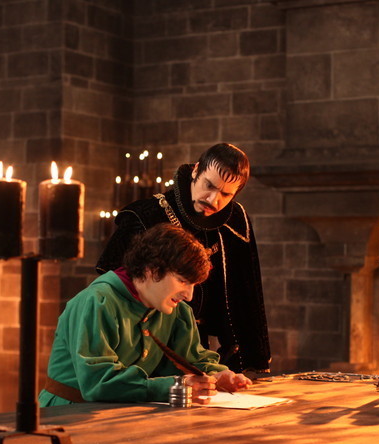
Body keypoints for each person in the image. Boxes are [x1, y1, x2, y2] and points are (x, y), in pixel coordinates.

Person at [97, 142, 271, 377]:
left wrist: (252, 358)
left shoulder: (235, 221)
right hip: (148, 346)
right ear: (196, 170)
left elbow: (247, 294)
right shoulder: (146, 215)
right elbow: (116, 292)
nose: (214, 200)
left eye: (226, 194)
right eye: (209, 185)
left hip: (200, 350)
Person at [40, 224, 251, 406]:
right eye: (182, 281)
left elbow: (191, 360)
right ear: (152, 270)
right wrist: (174, 386)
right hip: (69, 414)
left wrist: (217, 376)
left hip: (124, 414)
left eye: (193, 285)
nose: (189, 295)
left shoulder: (177, 312)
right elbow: (98, 383)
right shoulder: (97, 302)